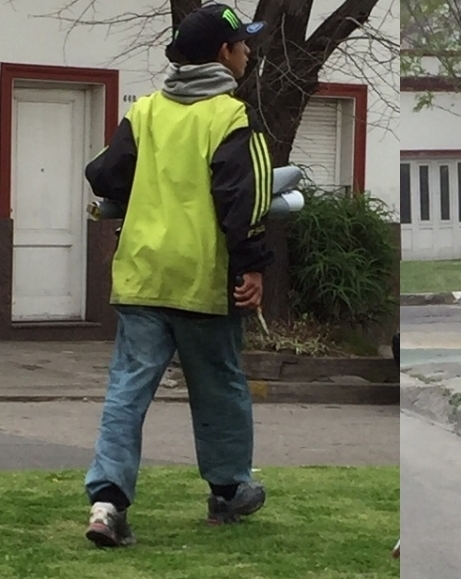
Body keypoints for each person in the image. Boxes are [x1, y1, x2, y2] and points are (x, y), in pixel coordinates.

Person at [82, 3, 273, 548]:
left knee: (127, 390)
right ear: (224, 54)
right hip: (202, 279)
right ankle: (228, 490)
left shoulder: (144, 112)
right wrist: (253, 267)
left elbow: (104, 173)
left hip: (142, 275)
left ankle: (107, 504)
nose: (249, 53)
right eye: (243, 45)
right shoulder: (229, 117)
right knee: (220, 388)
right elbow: (245, 200)